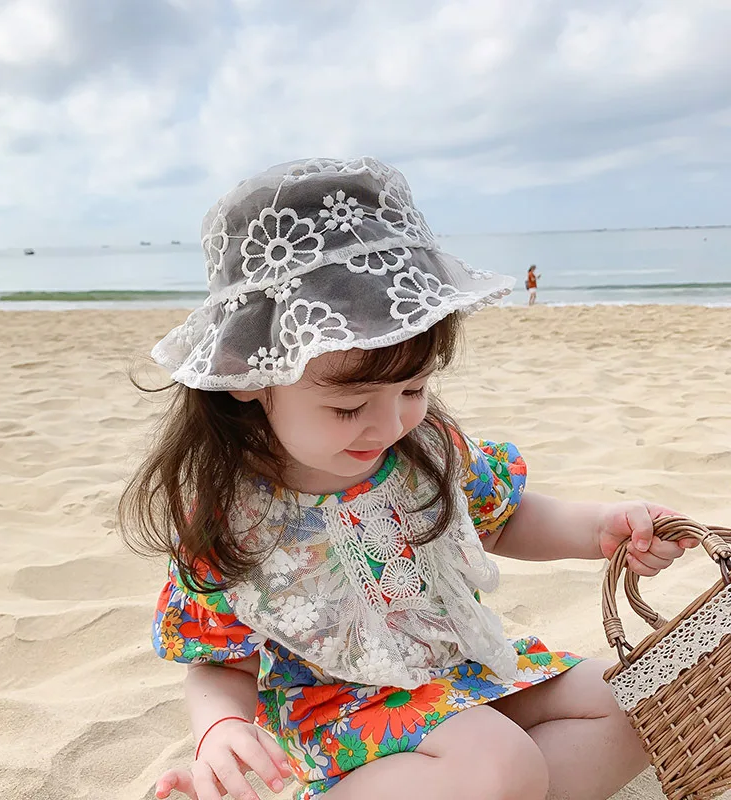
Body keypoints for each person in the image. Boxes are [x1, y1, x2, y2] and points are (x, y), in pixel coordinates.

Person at [119, 157, 692, 800]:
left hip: (463, 680)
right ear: (250, 375)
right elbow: (217, 660)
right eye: (349, 407)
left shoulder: (425, 450)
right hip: (347, 722)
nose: (390, 425)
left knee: (635, 698)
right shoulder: (236, 516)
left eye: (414, 389)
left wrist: (599, 529)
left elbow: (503, 521)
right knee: (498, 757)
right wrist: (220, 727)